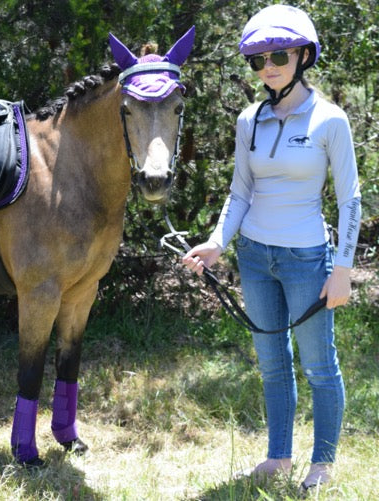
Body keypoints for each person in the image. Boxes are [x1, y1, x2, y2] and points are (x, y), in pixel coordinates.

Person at [182, 4, 361, 492]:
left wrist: (341, 269)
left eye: (278, 55)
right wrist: (218, 243)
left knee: (319, 364)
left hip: (308, 258)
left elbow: (350, 201)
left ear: (303, 55)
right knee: (272, 362)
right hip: (256, 258)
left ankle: (322, 463)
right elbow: (241, 192)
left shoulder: (331, 120)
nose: (268, 68)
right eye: (258, 61)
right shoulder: (249, 120)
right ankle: (278, 458)